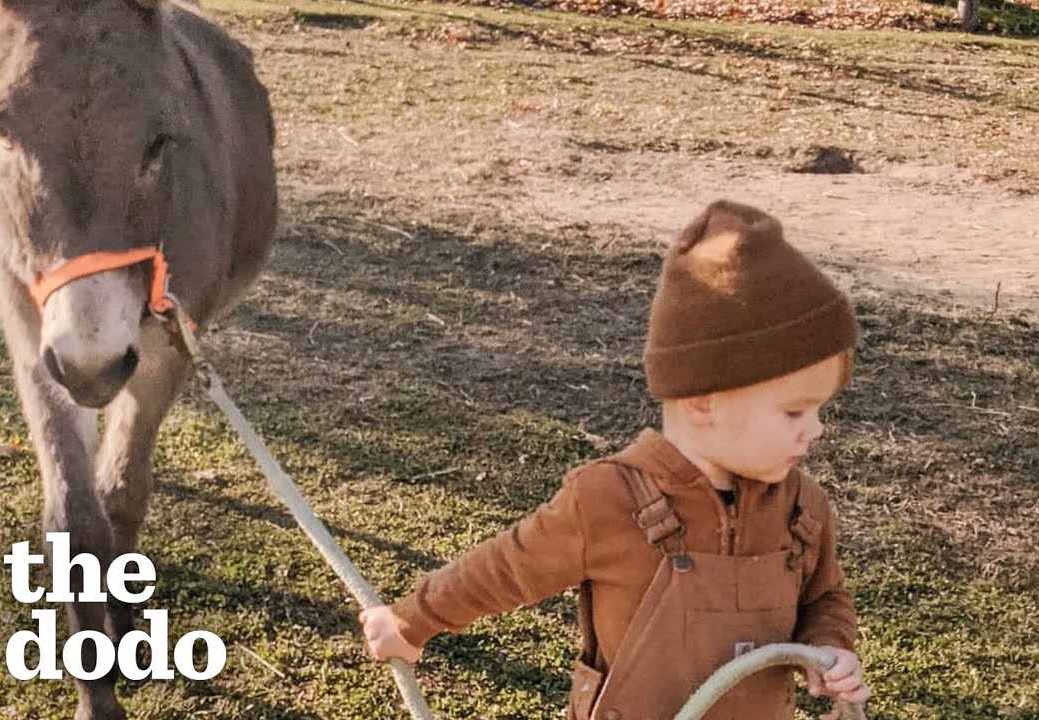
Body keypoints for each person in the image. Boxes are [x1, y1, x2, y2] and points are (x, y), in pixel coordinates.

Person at [359, 200, 872, 719]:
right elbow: (503, 568)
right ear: (702, 400)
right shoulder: (607, 500)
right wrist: (410, 621)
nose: (815, 429)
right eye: (794, 412)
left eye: (819, 410)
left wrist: (830, 647)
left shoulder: (803, 508)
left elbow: (824, 596)